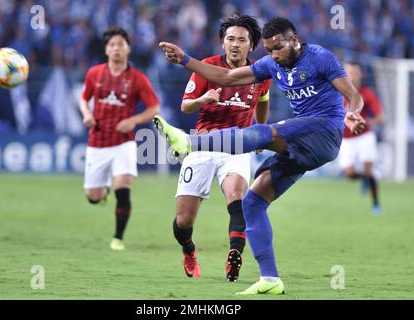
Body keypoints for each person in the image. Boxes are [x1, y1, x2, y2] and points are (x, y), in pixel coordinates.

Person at [155, 17, 365, 295]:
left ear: (294, 41)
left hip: (325, 131)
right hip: (300, 146)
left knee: (262, 132)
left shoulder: (320, 58)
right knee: (253, 202)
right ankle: (270, 278)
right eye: (268, 49)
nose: (274, 55)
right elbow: (225, 77)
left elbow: (353, 95)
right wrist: (185, 59)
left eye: (278, 48)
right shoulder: (270, 64)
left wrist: (353, 112)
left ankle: (189, 142)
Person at [173, 15, 271, 281]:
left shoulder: (260, 73)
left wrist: (260, 132)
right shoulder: (207, 67)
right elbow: (185, 105)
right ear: (223, 43)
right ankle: (189, 249)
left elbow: (263, 100)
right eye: (230, 39)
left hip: (237, 146)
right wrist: (204, 98)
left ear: (251, 46)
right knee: (183, 222)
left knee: (237, 196)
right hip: (203, 144)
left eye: (242, 40)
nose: (235, 44)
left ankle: (234, 255)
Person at [80, 27, 160, 251]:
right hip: (97, 141)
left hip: (124, 142)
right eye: (112, 45)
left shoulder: (137, 78)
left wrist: (134, 120)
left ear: (128, 49)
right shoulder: (94, 74)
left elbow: (154, 108)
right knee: (93, 197)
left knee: (123, 189)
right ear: (106, 50)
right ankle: (102, 191)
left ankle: (118, 238)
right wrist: (87, 114)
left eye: (120, 44)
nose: (116, 48)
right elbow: (83, 99)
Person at [339, 62, 384, 214]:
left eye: (354, 72)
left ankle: (376, 205)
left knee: (368, 169)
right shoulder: (338, 92)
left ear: (360, 74)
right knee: (349, 173)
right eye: (349, 72)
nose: (352, 75)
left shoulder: (366, 93)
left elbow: (380, 115)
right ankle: (364, 179)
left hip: (364, 136)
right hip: (346, 138)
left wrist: (370, 122)